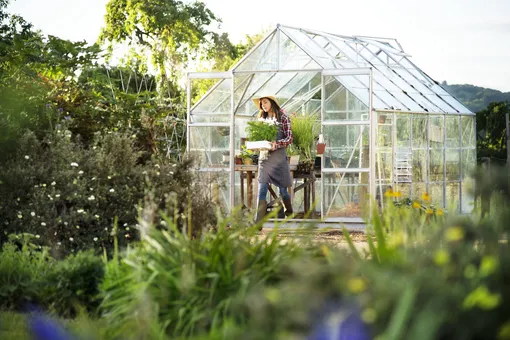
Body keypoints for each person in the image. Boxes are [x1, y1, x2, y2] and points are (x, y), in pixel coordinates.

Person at [251, 96, 294, 225]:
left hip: (279, 159)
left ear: (272, 102)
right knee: (262, 187)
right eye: (261, 103)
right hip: (264, 158)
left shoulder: (283, 118)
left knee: (282, 190)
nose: (263, 105)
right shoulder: (261, 119)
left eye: (265, 102)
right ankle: (258, 222)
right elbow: (256, 137)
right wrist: (256, 146)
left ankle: (289, 212)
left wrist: (278, 143)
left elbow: (289, 138)